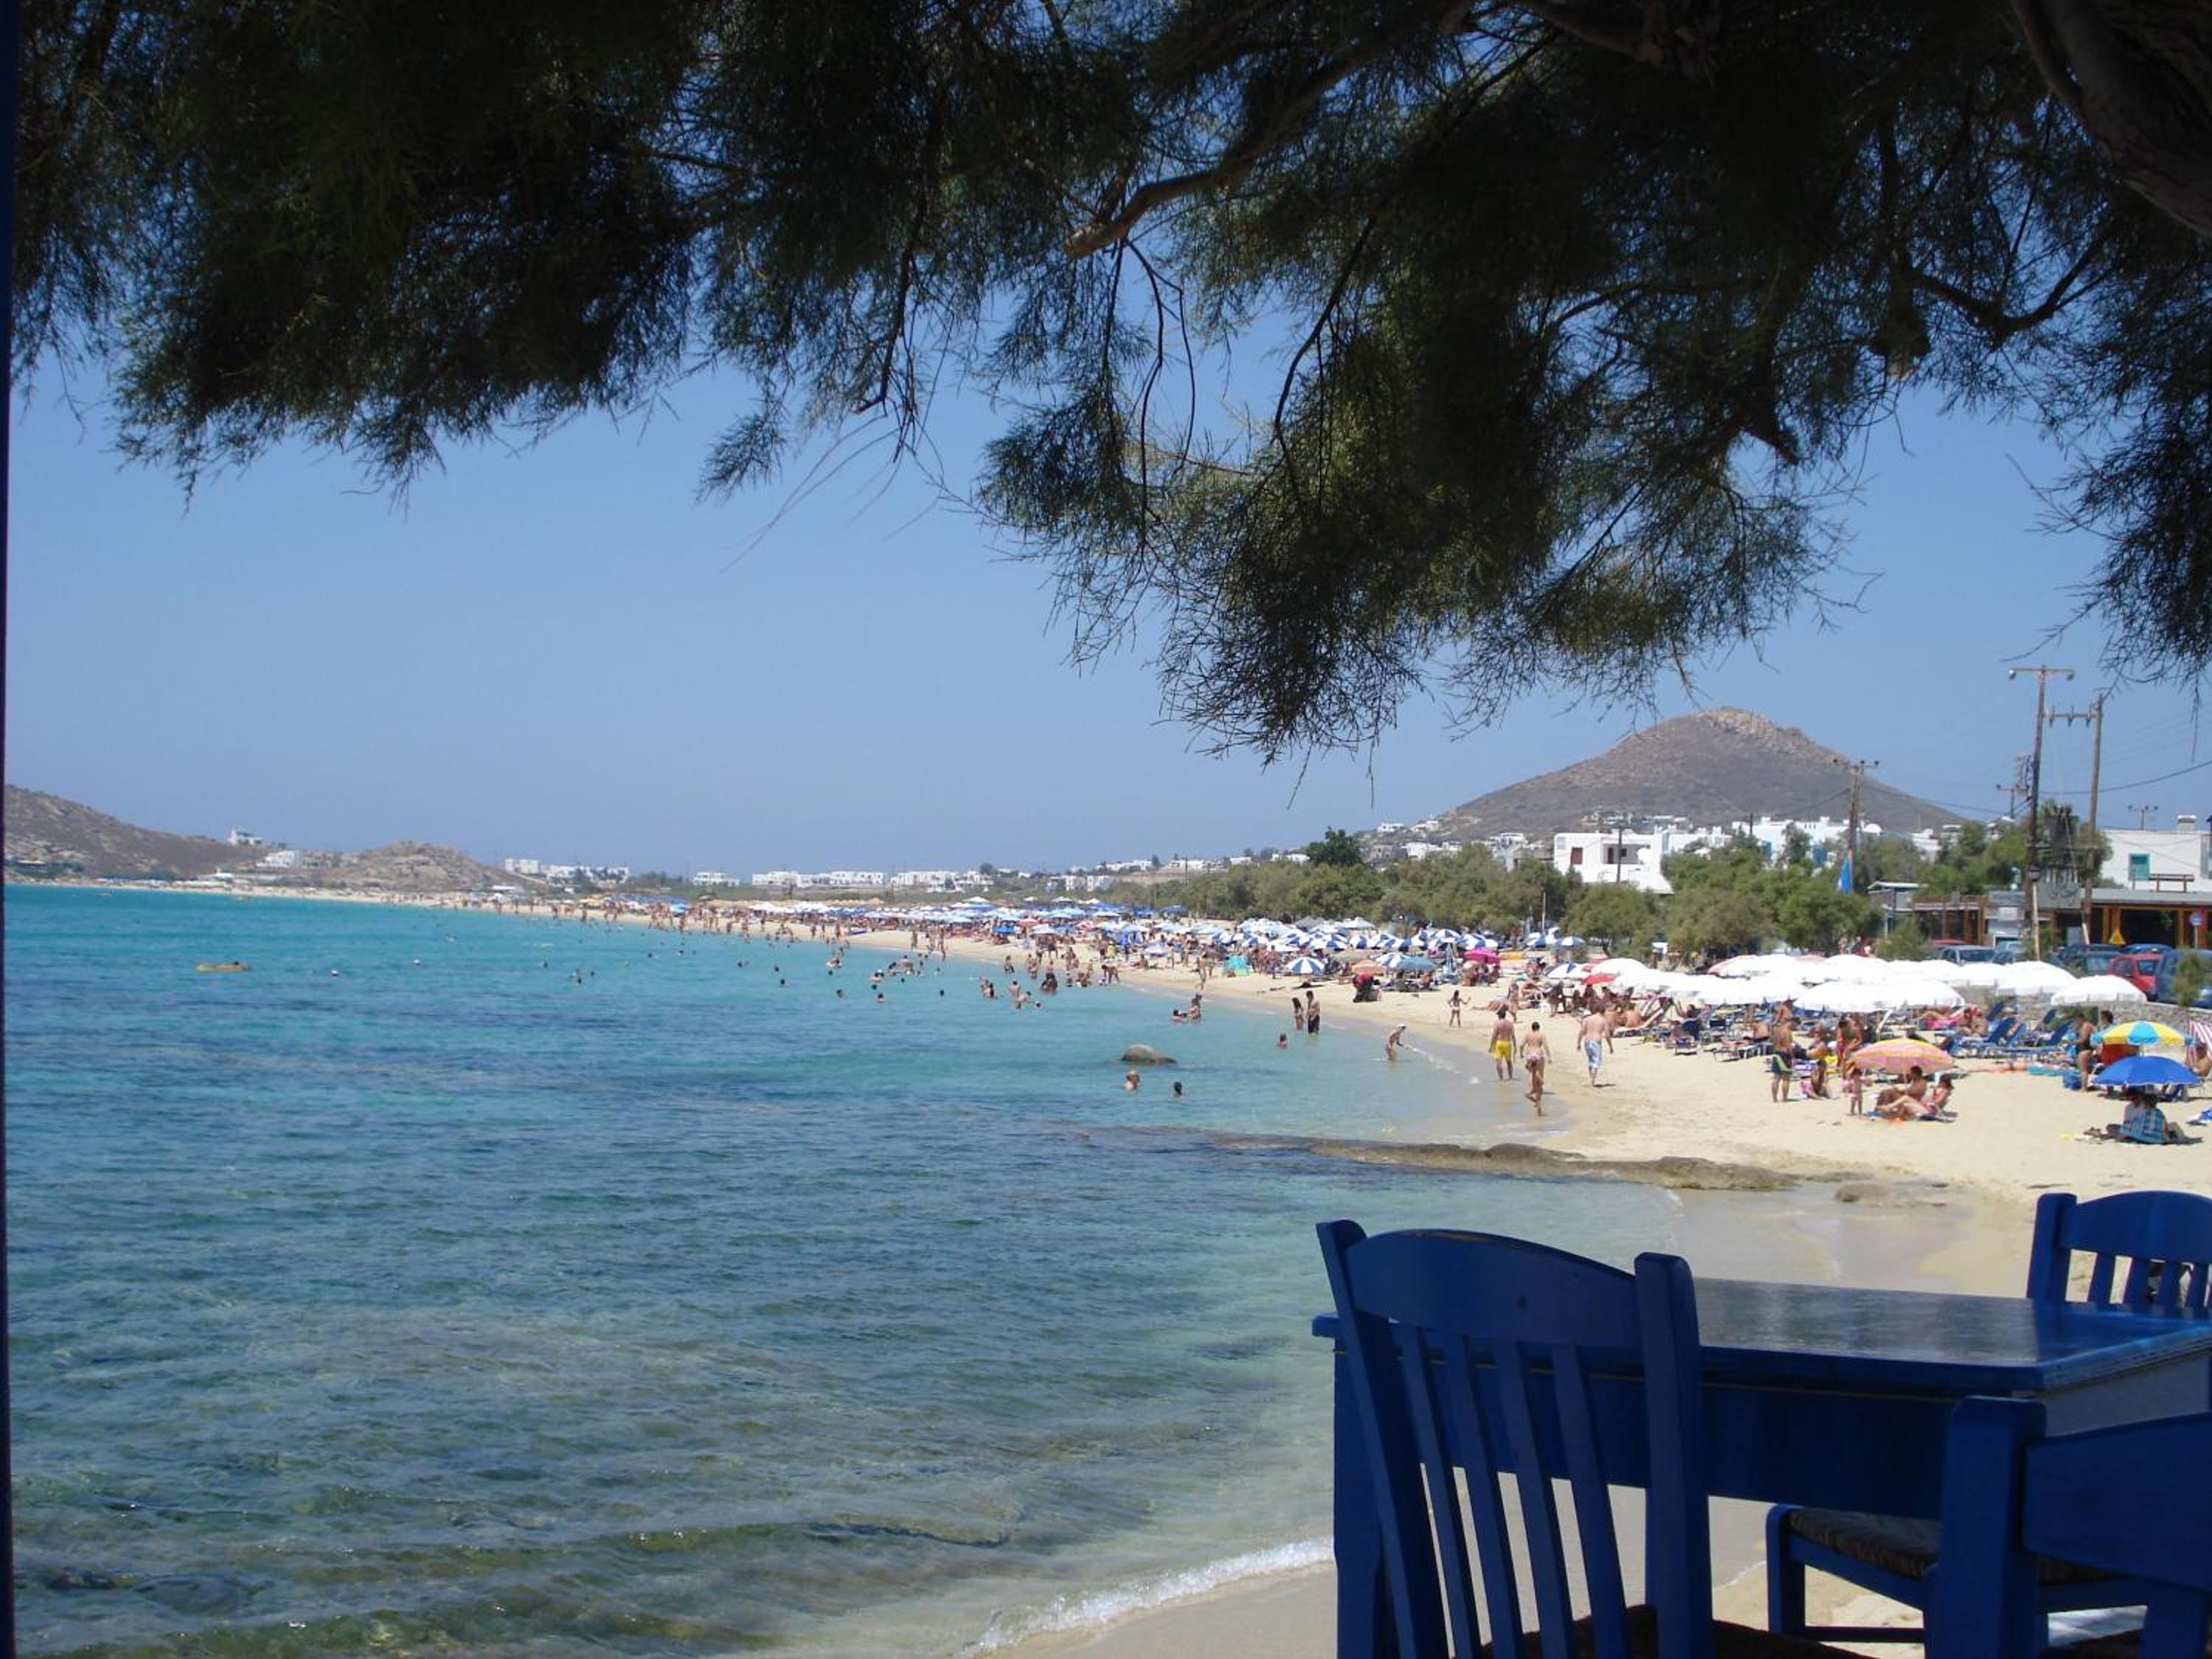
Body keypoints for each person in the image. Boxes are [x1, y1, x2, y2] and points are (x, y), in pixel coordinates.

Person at [1521, 1020, 1549, 1115]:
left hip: (1530, 1055)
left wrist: (1521, 1054)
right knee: (1539, 1082)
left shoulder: (1528, 1035)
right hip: (1538, 1054)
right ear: (1539, 1028)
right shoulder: (1541, 1035)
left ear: (1532, 1028)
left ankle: (1532, 1095)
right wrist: (1549, 1056)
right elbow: (1545, 1045)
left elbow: (1521, 1045)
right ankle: (1538, 1106)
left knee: (1531, 1074)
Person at [1578, 1006, 1607, 1086]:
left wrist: (1578, 1043)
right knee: (1595, 1061)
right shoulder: (1603, 1020)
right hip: (1596, 1041)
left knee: (1591, 1060)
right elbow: (1607, 1034)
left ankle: (1591, 1079)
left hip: (1587, 1041)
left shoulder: (1587, 1019)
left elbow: (1582, 1031)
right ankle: (1592, 1081)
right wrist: (1610, 1046)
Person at [1489, 1006, 1517, 1081]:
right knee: (1509, 1061)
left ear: (1499, 1016)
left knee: (1498, 1061)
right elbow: (1513, 1036)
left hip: (1499, 1043)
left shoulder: (1497, 1023)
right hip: (1507, 1043)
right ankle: (1510, 1077)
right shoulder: (1510, 1024)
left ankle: (1501, 1078)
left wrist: (1491, 1046)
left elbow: (1494, 1035)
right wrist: (1515, 1046)